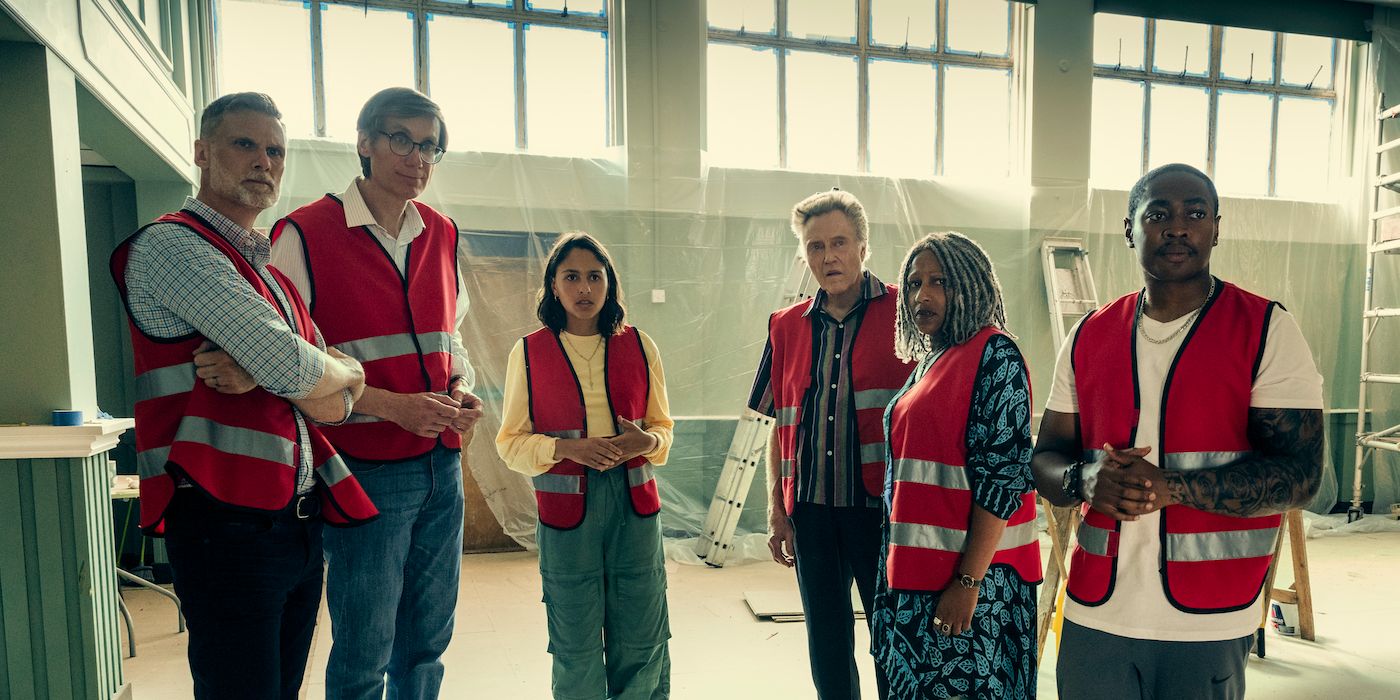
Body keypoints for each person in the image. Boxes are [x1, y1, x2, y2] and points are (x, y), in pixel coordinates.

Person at [110, 92, 377, 699]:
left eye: (275, 150)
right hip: (223, 522)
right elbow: (300, 368)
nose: (264, 161)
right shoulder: (171, 247)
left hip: (298, 523)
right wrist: (321, 371)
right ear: (202, 153)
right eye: (245, 144)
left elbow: (336, 401)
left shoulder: (270, 274)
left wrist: (330, 375)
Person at [1031, 163, 1324, 699]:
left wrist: (1169, 487)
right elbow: (1045, 458)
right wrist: (1084, 478)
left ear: (1216, 227)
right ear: (1130, 229)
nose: (1178, 227)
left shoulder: (1265, 330)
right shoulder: (1089, 336)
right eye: (1158, 214)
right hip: (1096, 611)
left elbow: (1303, 476)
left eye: (1195, 213)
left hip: (1208, 618)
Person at [269, 86, 482, 699]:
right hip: (363, 468)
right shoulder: (303, 233)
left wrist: (459, 387)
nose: (417, 157)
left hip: (442, 464)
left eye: (430, 146)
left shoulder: (441, 232)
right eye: (401, 140)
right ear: (363, 142)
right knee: (365, 645)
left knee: (426, 644)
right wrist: (396, 408)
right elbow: (289, 364)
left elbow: (452, 337)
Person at [495, 232, 674, 700]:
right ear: (553, 286)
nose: (584, 288)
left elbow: (663, 431)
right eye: (571, 276)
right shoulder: (529, 352)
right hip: (567, 517)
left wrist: (646, 440)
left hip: (634, 510)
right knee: (574, 644)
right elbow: (510, 444)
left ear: (609, 284)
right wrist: (566, 450)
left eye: (595, 277)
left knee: (642, 634)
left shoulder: (640, 345)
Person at [748, 189, 909, 699]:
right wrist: (778, 509)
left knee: (892, 636)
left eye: (839, 242)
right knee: (826, 639)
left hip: (881, 512)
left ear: (863, 245)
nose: (828, 256)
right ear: (805, 256)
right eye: (815, 246)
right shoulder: (784, 327)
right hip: (812, 512)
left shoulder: (907, 315)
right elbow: (778, 425)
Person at [871, 232, 1042, 700]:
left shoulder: (994, 355)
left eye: (939, 282)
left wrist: (967, 583)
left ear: (971, 285)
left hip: (975, 592)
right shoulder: (932, 360)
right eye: (913, 283)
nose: (922, 295)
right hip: (915, 579)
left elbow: (1004, 479)